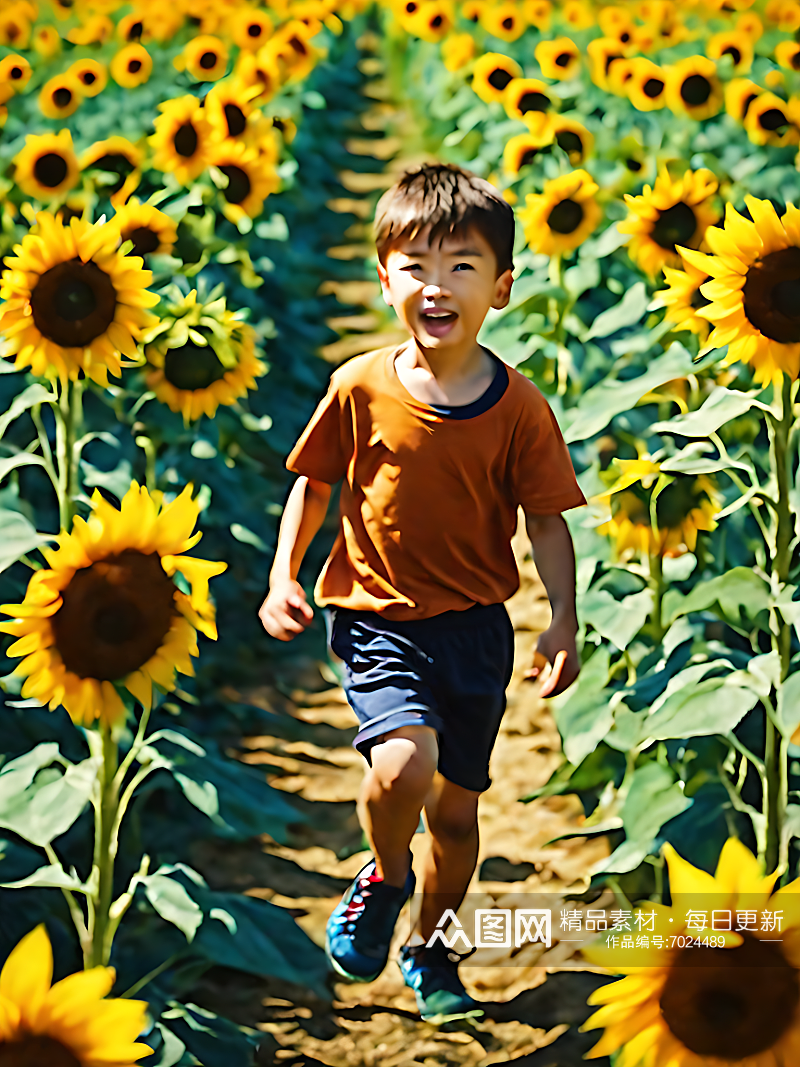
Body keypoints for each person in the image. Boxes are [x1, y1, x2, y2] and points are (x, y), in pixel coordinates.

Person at [259, 162, 586, 1021]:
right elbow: (316, 483)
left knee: (458, 820)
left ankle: (431, 949)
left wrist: (563, 620)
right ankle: (384, 874)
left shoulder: (520, 409)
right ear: (383, 279)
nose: (436, 286)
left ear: (502, 287)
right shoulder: (360, 385)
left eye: (462, 267)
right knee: (402, 765)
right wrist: (283, 574)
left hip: (476, 628)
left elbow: (548, 521)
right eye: (416, 266)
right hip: (376, 618)